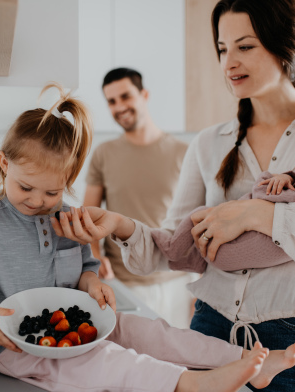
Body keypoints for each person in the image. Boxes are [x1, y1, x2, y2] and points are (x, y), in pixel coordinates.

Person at [50, 1, 295, 391]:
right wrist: (122, 226)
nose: (229, 62)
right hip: (209, 333)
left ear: (284, 45)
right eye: (222, 49)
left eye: (245, 46)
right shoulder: (207, 143)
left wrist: (257, 215)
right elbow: (175, 250)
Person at [0, 82, 295, 392]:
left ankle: (245, 359)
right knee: (107, 359)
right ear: (4, 163)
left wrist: (91, 283)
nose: (40, 202)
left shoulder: (65, 217)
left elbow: (85, 267)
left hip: (72, 324)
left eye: (53, 192)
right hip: (15, 345)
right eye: (27, 187)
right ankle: (189, 383)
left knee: (153, 333)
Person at [84, 67, 194, 328]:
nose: (119, 106)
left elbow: (197, 220)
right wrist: (95, 261)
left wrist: (199, 286)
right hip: (124, 283)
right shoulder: (103, 154)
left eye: (125, 96)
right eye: (111, 101)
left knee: (177, 363)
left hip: (177, 283)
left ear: (144, 94)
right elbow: (89, 215)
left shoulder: (184, 152)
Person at [152, 155, 295, 274]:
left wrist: (283, 177)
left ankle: (173, 248)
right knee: (206, 244)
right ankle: (195, 262)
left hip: (226, 251)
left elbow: (259, 191)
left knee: (199, 214)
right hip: (232, 259)